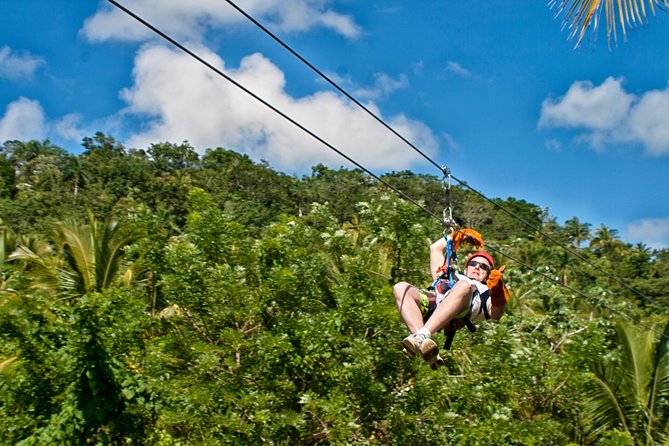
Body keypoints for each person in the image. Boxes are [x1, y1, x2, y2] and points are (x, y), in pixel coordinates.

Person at [392, 235, 508, 368]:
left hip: (461, 310)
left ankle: (421, 336)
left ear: (488, 275)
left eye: (483, 267)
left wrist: (498, 290)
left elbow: (496, 314)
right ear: (466, 268)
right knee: (400, 287)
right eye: (473, 264)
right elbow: (435, 248)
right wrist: (459, 236)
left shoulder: (486, 291)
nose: (477, 268)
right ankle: (422, 342)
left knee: (464, 286)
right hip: (435, 303)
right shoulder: (450, 275)